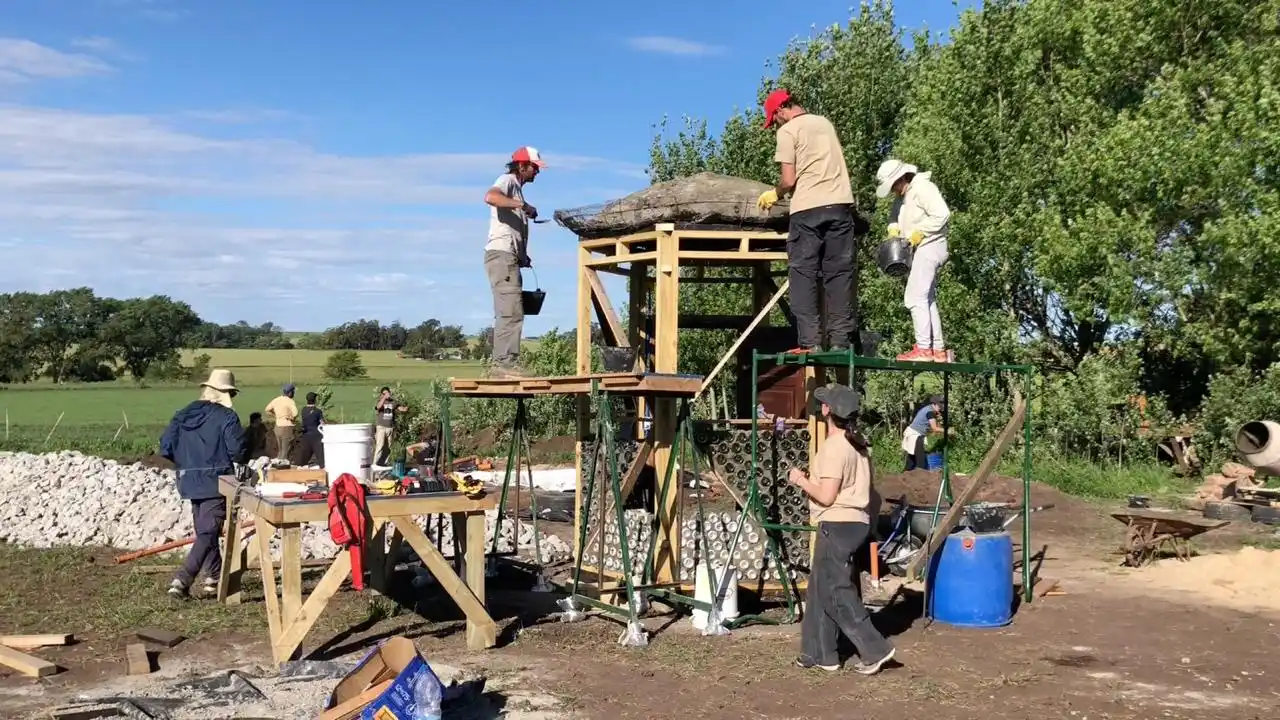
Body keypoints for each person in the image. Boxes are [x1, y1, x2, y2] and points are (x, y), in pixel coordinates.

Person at [786, 383, 895, 674]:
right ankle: (820, 654)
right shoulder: (859, 445)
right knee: (821, 589)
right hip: (855, 523)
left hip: (837, 523)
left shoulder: (835, 446)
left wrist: (799, 479)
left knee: (836, 591)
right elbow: (872, 495)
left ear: (827, 411)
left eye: (822, 404)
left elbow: (826, 496)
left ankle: (875, 649)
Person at [757, 89, 860, 354]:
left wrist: (775, 193)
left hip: (808, 210)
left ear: (781, 110)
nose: (776, 124)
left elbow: (789, 180)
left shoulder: (788, 132)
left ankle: (809, 343)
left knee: (803, 274)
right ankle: (840, 342)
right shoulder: (824, 123)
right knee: (839, 275)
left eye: (774, 119)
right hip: (840, 207)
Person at [159, 369, 247, 599]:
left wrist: (187, 463)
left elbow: (166, 446)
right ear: (226, 394)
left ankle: (215, 576)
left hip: (188, 479)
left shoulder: (182, 414)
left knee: (204, 530)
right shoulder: (227, 417)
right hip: (216, 480)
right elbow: (237, 450)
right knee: (209, 531)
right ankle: (182, 580)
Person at [875, 158, 952, 362]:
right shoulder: (903, 196)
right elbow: (895, 217)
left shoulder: (923, 188)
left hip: (931, 245)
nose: (892, 190)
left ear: (901, 178)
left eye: (892, 186)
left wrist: (919, 233)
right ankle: (938, 350)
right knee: (927, 299)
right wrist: (893, 231)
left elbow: (942, 214)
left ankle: (924, 349)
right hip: (922, 248)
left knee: (914, 297)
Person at [483, 146, 546, 378]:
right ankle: (504, 365)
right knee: (510, 311)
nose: (537, 172)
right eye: (535, 168)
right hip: (501, 256)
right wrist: (524, 206)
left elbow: (509, 228)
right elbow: (491, 197)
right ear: (522, 166)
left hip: (507, 257)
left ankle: (504, 363)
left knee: (511, 309)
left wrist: (522, 256)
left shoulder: (516, 189)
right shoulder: (507, 180)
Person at [902, 394, 945, 471]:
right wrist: (947, 431)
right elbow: (934, 428)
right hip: (915, 436)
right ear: (934, 404)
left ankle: (905, 475)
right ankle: (921, 478)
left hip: (912, 434)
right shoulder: (930, 413)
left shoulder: (927, 409)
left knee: (911, 460)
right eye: (939, 406)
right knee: (921, 461)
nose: (940, 408)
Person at [373, 387, 408, 466]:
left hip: (390, 427)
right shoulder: (380, 401)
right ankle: (375, 464)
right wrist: (383, 398)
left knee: (388, 447)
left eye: (387, 393)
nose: (387, 395)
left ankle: (384, 463)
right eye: (384, 393)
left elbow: (400, 408)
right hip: (381, 427)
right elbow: (378, 407)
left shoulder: (393, 402)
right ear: (381, 395)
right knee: (380, 446)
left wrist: (404, 409)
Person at [265, 384, 299, 461]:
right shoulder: (290, 401)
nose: (294, 393)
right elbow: (296, 413)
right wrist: (291, 418)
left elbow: (267, 409)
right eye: (293, 391)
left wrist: (275, 415)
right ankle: (284, 467)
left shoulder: (276, 400)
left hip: (277, 427)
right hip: (287, 427)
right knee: (286, 449)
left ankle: (279, 464)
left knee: (280, 450)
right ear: (290, 392)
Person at [296, 392, 325, 467]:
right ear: (315, 400)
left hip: (306, 435)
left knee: (304, 456)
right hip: (316, 435)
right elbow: (322, 423)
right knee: (320, 456)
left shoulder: (303, 410)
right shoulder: (318, 411)